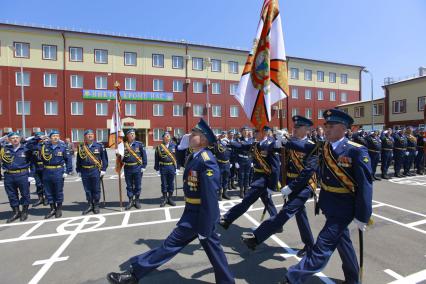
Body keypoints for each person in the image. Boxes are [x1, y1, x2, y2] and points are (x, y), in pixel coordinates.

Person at [107, 118, 235, 284]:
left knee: (170, 245)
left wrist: (206, 224)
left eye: (194, 134)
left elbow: (210, 198)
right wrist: (181, 148)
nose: (189, 136)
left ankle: (134, 275)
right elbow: (181, 162)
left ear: (203, 139)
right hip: (194, 213)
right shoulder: (195, 156)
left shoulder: (206, 160)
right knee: (211, 250)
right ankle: (227, 281)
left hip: (200, 216)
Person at [279, 108, 373, 284]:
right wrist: (284, 141)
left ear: (345, 128)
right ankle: (353, 279)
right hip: (329, 204)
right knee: (343, 242)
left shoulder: (356, 151)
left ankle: (293, 277)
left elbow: (366, 185)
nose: (327, 129)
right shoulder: (324, 147)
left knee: (322, 245)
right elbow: (303, 146)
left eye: (332, 125)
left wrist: (363, 215)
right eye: (326, 125)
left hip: (344, 207)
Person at [241, 116, 317, 258]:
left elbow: (308, 172)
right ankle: (309, 245)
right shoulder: (289, 142)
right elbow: (269, 150)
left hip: (305, 185)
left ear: (306, 130)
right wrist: (276, 142)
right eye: (293, 127)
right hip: (290, 184)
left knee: (286, 211)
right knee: (300, 215)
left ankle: (256, 238)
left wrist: (291, 187)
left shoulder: (311, 145)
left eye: (297, 127)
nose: (293, 129)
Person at [219, 125, 279, 230]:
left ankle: (227, 219)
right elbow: (242, 146)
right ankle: (277, 224)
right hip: (258, 177)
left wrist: (272, 186)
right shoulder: (255, 143)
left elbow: (275, 168)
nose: (254, 133)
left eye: (257, 131)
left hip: (263, 180)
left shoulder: (270, 145)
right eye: (255, 131)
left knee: (246, 201)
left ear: (264, 133)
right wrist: (228, 142)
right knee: (267, 202)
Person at [0, 132, 33, 222]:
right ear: (9, 140)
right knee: (12, 195)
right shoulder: (4, 149)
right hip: (9, 175)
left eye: (16, 137)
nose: (15, 139)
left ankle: (25, 212)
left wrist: (31, 175)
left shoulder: (26, 149)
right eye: (12, 138)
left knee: (25, 194)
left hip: (22, 174)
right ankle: (16, 212)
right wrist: (3, 138)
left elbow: (33, 161)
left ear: (20, 139)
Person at [41, 130, 73, 219]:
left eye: (57, 136)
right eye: (54, 136)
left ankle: (59, 209)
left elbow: (68, 159)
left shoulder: (63, 147)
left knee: (58, 191)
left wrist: (67, 171)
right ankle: (52, 209)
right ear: (50, 138)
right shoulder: (44, 147)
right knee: (48, 191)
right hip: (47, 171)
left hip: (58, 171)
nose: (56, 137)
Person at [76, 129, 108, 215]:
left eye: (92, 134)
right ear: (85, 137)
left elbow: (104, 159)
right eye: (88, 135)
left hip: (95, 170)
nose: (90, 136)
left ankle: (96, 205)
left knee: (96, 189)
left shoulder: (99, 146)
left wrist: (103, 170)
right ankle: (90, 204)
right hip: (84, 170)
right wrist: (78, 170)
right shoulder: (81, 147)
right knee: (87, 189)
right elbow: (78, 160)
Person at [118, 129, 148, 210]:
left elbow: (144, 156)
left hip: (137, 168)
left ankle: (137, 200)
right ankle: (130, 200)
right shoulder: (122, 145)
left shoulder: (139, 144)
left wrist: (144, 166)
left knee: (137, 185)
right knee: (129, 186)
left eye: (133, 134)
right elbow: (120, 158)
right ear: (127, 135)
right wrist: (118, 153)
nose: (132, 135)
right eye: (131, 134)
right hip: (127, 168)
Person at [154, 131, 178, 207]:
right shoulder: (159, 147)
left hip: (171, 167)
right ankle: (164, 198)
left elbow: (178, 157)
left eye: (168, 136)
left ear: (170, 138)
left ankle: (170, 198)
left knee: (171, 183)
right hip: (163, 167)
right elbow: (156, 159)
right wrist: (157, 169)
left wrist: (177, 168)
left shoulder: (174, 146)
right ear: (163, 138)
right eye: (166, 136)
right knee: (164, 184)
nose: (167, 138)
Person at [28, 132, 48, 207]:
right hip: (36, 167)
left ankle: (47, 198)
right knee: (38, 184)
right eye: (37, 137)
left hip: (45, 167)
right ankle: (40, 198)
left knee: (46, 184)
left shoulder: (47, 145)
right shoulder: (33, 146)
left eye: (40, 137)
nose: (40, 138)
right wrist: (36, 139)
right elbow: (27, 144)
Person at [234, 126, 254, 198]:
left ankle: (246, 190)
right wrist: (236, 162)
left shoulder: (251, 140)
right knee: (241, 176)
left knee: (247, 175)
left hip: (248, 160)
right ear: (241, 132)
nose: (246, 132)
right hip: (241, 160)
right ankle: (241, 190)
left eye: (247, 130)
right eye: (244, 130)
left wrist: (252, 161)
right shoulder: (238, 140)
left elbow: (252, 151)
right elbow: (235, 151)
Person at [213, 131, 232, 200]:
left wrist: (232, 162)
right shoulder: (217, 144)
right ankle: (220, 193)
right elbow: (214, 149)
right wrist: (218, 141)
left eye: (225, 134)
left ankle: (225, 193)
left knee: (226, 179)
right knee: (220, 179)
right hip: (220, 163)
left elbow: (232, 154)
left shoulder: (230, 143)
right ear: (221, 136)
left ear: (227, 135)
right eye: (223, 134)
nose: (224, 135)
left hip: (227, 163)